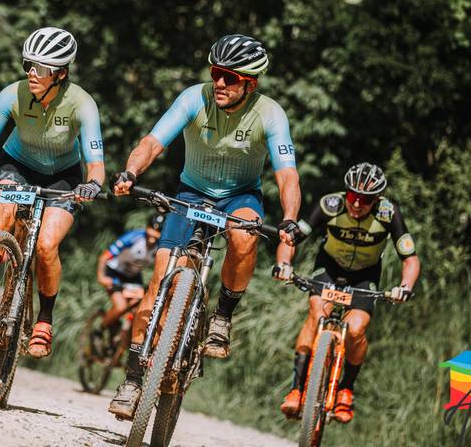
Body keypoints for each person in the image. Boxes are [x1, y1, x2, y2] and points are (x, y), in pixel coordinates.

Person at [108, 34, 303, 419]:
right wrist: (131, 172)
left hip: (240, 196)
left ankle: (223, 316)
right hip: (191, 193)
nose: (219, 83)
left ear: (251, 84)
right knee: (157, 283)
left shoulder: (270, 114)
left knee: (245, 236)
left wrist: (290, 218)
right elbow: (152, 142)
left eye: (231, 78)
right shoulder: (193, 98)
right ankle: (132, 380)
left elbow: (287, 176)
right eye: (216, 73)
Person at [0, 27, 105, 359]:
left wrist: (92, 185)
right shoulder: (12, 95)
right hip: (17, 165)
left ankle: (44, 320)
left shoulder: (82, 103)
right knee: (2, 220)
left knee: (47, 245)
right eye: (28, 65)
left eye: (42, 68)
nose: (32, 73)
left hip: (63, 177)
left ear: (61, 74)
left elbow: (96, 165)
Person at [275, 162, 420, 423]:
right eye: (353, 196)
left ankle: (346, 389)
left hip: (365, 276)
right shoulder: (330, 205)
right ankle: (296, 389)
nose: (357, 204)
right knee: (317, 312)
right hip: (329, 267)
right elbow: (291, 238)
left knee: (355, 329)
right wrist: (284, 264)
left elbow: (410, 259)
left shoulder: (388, 213)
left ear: (377, 199)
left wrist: (405, 287)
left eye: (365, 200)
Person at [96, 214, 164, 335]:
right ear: (147, 228)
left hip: (133, 276)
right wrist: (101, 276)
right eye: (151, 231)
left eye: (157, 234)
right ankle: (98, 331)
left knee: (138, 309)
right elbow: (104, 256)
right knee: (121, 306)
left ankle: (123, 336)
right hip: (114, 272)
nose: (153, 238)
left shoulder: (160, 247)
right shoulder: (134, 237)